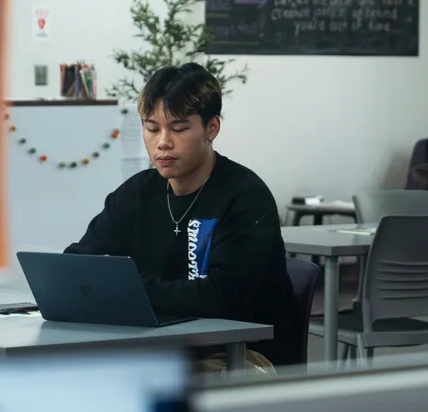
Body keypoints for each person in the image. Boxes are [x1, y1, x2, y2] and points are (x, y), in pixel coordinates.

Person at [65, 63, 297, 366]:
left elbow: (221, 299)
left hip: (240, 354)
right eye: (151, 128)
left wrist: (126, 287)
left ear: (211, 128)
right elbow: (77, 265)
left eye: (178, 128)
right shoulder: (137, 193)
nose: (163, 142)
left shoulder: (246, 198)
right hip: (159, 349)